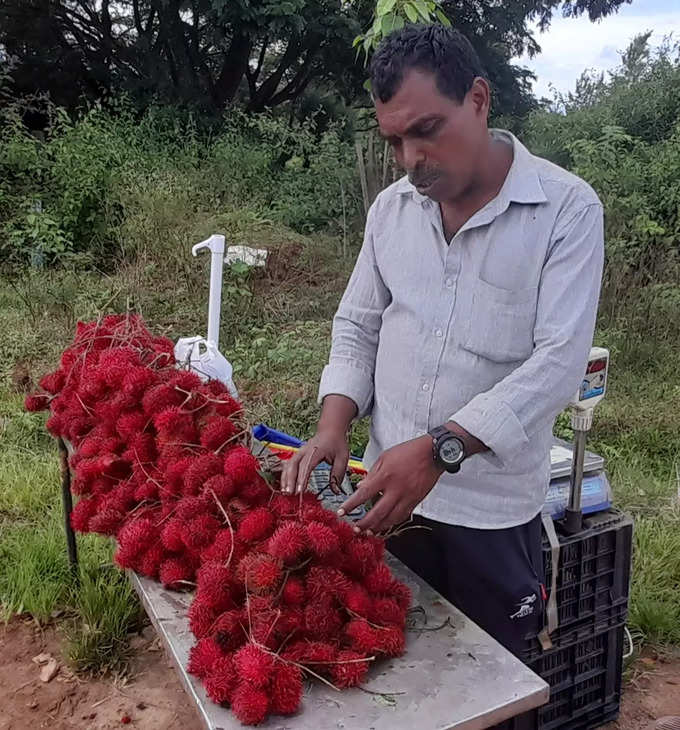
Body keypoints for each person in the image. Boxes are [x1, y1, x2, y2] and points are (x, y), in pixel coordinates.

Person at [281, 24, 604, 660]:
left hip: (492, 515)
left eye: (427, 130)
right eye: (395, 140)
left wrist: (439, 451)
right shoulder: (391, 212)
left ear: (479, 99)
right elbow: (359, 323)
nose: (410, 159)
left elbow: (558, 365)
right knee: (398, 670)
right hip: (387, 496)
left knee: (492, 680)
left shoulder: (564, 211)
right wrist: (333, 420)